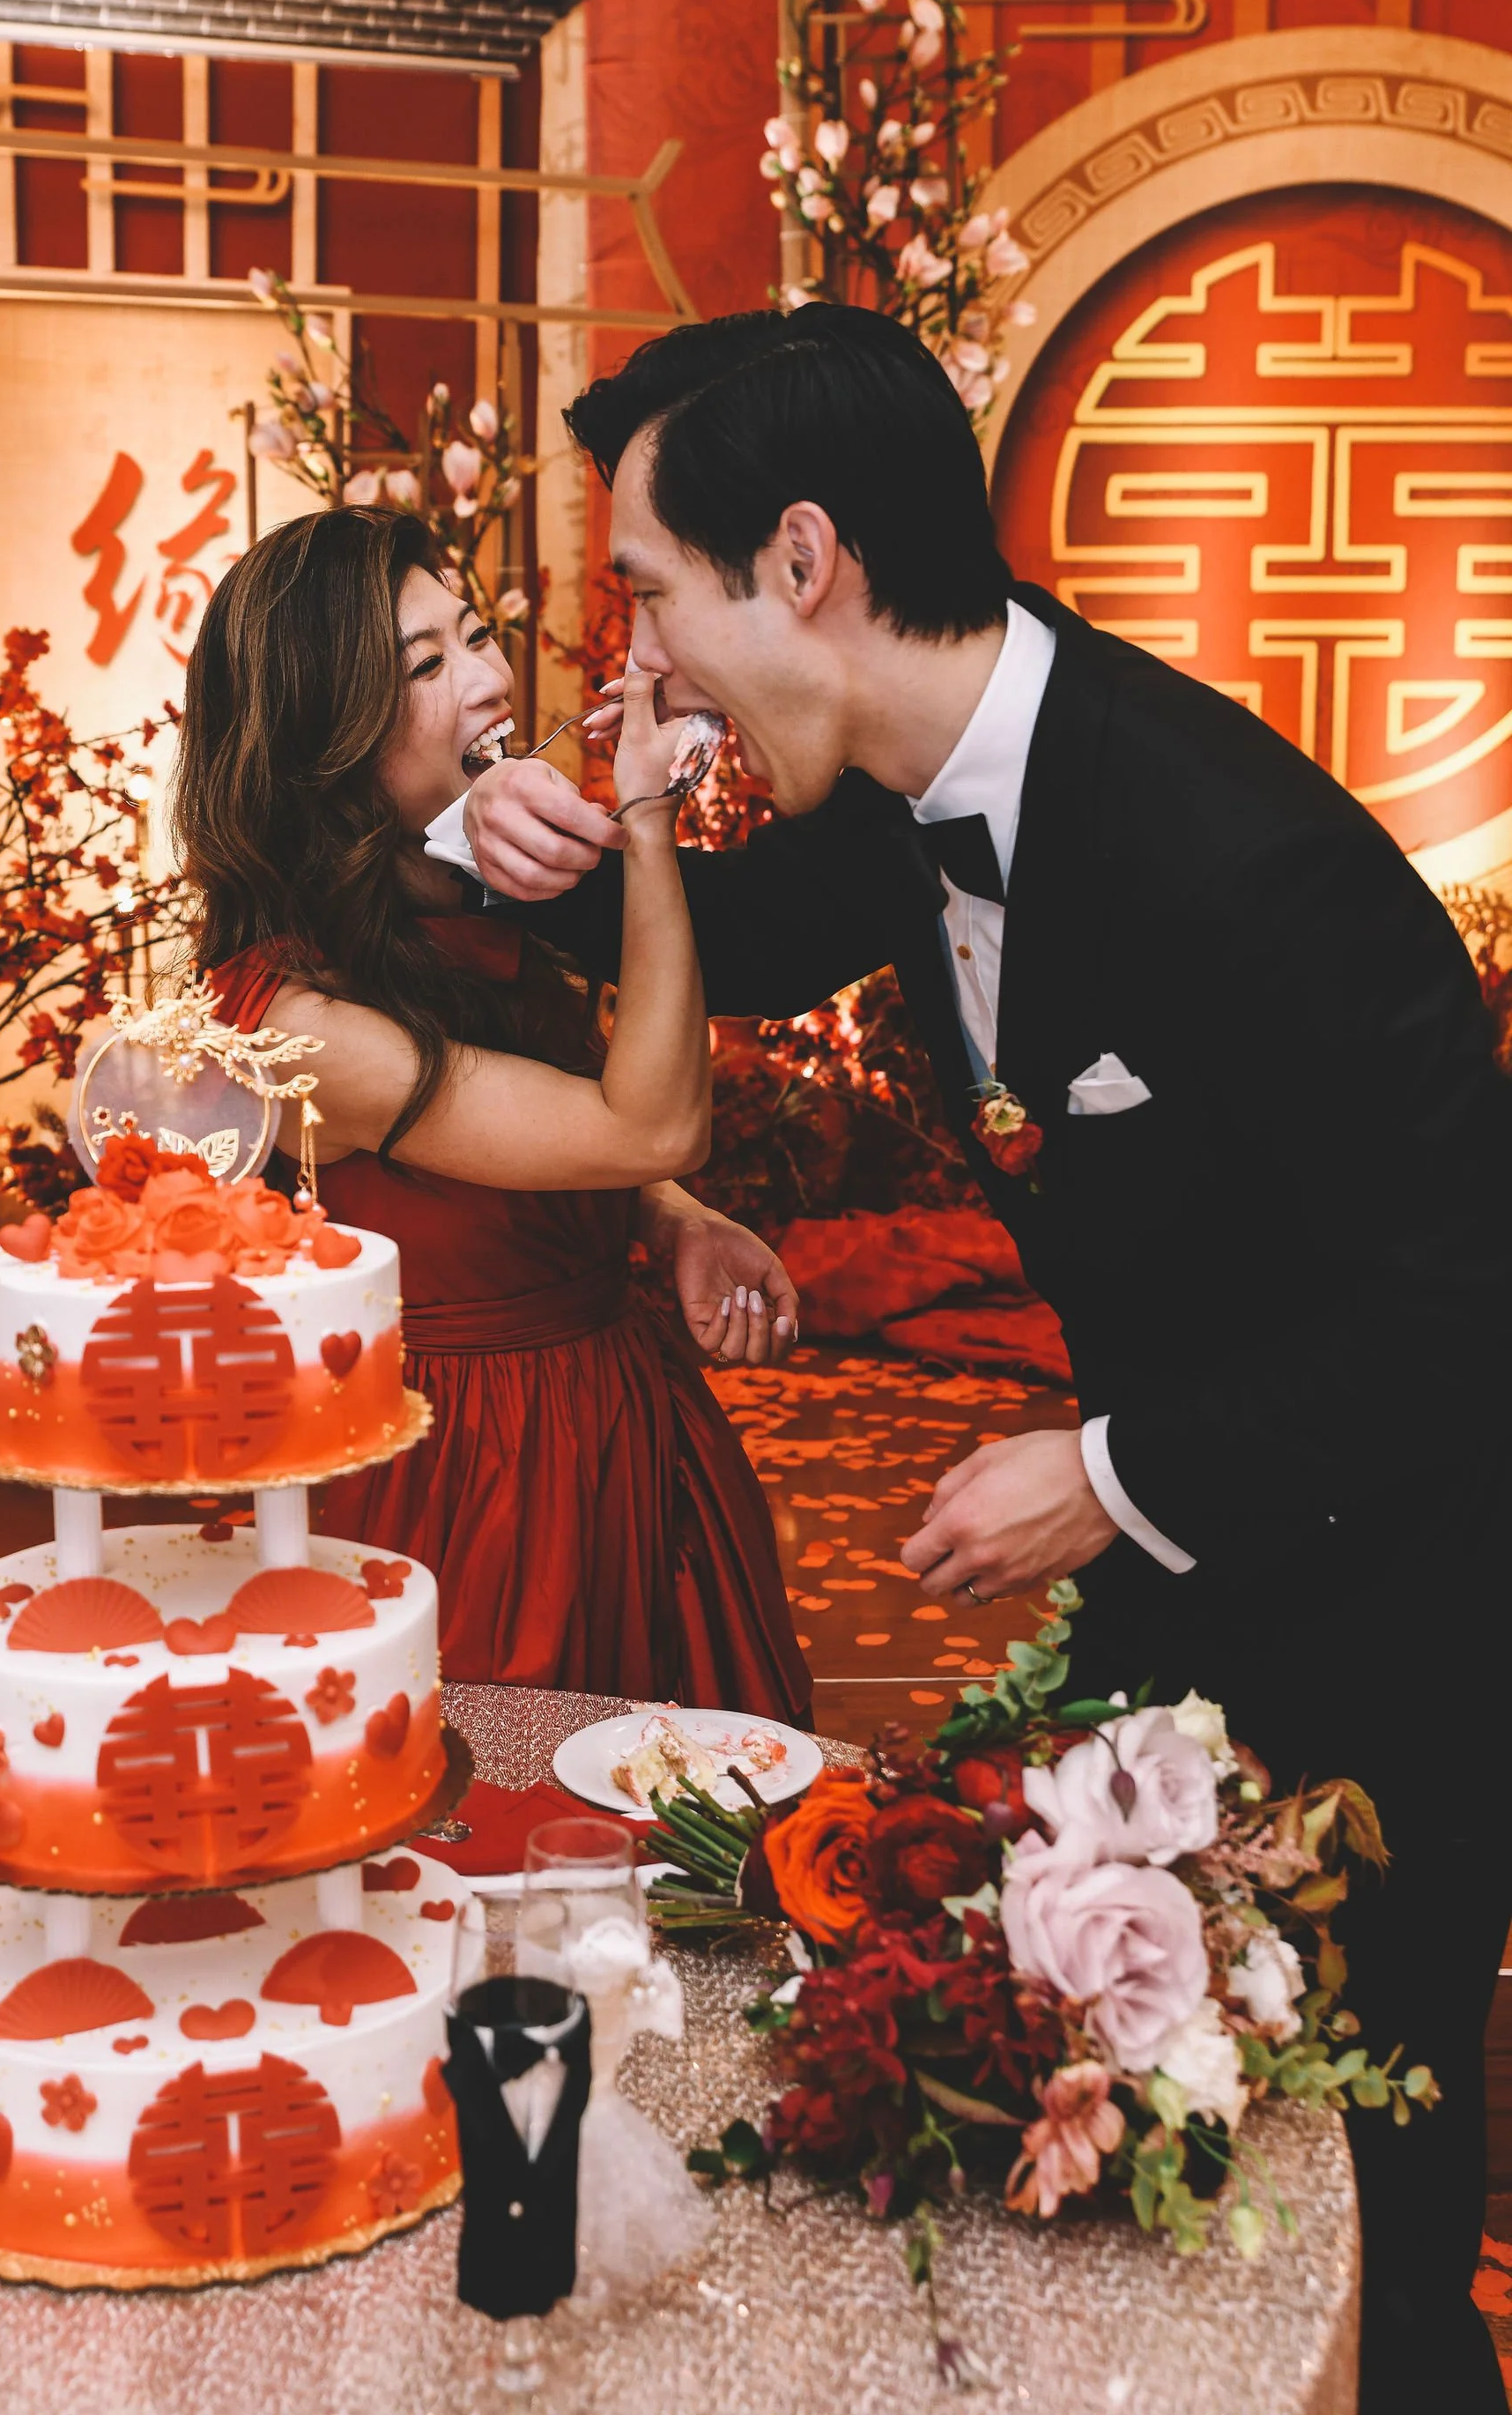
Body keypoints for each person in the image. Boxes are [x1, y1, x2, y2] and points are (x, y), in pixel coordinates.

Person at [448, 302, 1512, 2409]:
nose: (642, 665)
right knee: (1104, 2115)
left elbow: (1460, 1308)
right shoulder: (917, 781)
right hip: (1177, 1584)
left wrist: (1101, 1472)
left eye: (653, 595)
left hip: (1397, 1602)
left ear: (807, 565)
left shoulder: (1248, 859)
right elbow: (738, 942)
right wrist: (503, 843)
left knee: (1370, 2194)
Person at [171, 502, 810, 1723]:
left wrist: (669, 1223)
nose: (489, 678)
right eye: (428, 664)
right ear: (329, 740)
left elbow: (584, 1149)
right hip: (470, 1479)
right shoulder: (290, 1020)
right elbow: (650, 1124)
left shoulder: (480, 896)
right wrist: (647, 820)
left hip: (626, 1425)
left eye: (475, 634)